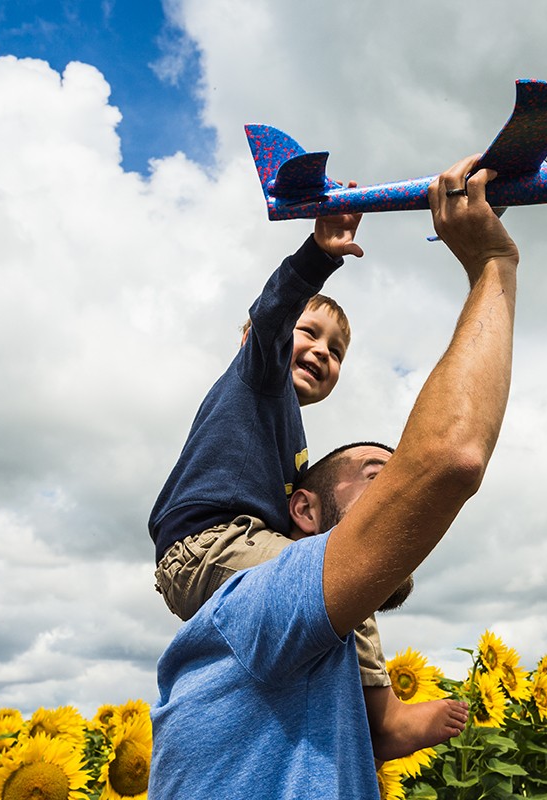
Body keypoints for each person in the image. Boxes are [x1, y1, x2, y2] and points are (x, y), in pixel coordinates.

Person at [150, 154, 520, 799]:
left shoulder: (289, 428)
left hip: (227, 550)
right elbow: (270, 317)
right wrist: (317, 253)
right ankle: (383, 713)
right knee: (340, 566)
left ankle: (372, 711)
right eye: (311, 333)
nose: (321, 351)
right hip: (208, 542)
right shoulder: (256, 378)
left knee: (333, 577)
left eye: (337, 350)